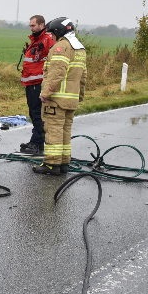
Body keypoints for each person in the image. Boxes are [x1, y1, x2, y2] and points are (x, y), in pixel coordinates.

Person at [33, 17, 87, 175]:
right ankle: (64, 163)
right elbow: (83, 76)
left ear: (58, 31)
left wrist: (45, 93)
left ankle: (51, 164)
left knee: (53, 130)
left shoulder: (61, 47)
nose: (51, 37)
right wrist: (80, 95)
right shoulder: (80, 49)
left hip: (56, 99)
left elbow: (56, 74)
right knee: (65, 131)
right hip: (71, 99)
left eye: (52, 34)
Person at [19, 15, 55, 155]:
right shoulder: (36, 40)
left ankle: (37, 142)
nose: (31, 28)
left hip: (38, 82)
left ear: (41, 25)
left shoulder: (47, 39)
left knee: (37, 113)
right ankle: (36, 141)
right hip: (31, 82)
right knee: (34, 113)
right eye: (30, 25)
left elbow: (52, 59)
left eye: (33, 25)